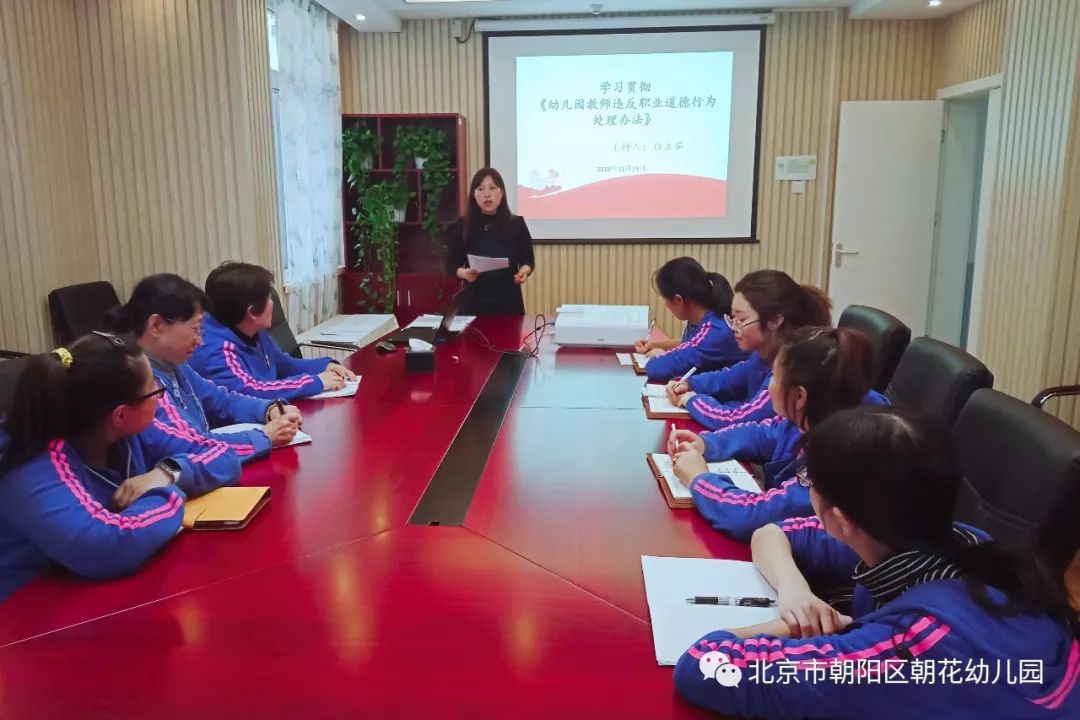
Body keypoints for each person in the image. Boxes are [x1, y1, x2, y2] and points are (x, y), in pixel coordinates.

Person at [674, 407, 1079, 719]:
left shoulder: (910, 648)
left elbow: (706, 666)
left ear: (840, 519)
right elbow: (773, 533)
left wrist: (791, 626)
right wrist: (795, 592)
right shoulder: (962, 542)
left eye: (811, 483)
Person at [0, 333, 242, 601]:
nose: (161, 401)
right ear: (121, 414)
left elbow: (222, 454)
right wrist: (170, 497)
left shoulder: (129, 429)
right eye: (155, 391)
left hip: (86, 591)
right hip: (22, 616)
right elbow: (107, 545)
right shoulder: (29, 459)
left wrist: (166, 474)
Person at [667, 327, 889, 541]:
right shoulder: (819, 411)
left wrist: (698, 478)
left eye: (773, 376)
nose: (768, 387)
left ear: (799, 396)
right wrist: (706, 444)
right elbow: (764, 434)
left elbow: (753, 516)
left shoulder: (840, 457)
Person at [103, 274, 303, 464]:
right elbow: (190, 445)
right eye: (195, 329)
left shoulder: (175, 365)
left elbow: (222, 401)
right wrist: (264, 437)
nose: (199, 341)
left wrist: (267, 409)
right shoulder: (142, 382)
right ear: (156, 325)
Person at [666, 270, 831, 430]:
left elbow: (740, 418)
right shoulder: (760, 355)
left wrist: (692, 401)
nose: (734, 328)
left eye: (742, 319)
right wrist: (690, 384)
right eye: (733, 318)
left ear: (774, 321)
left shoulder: (790, 369)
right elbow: (729, 378)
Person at [189, 262, 355, 400]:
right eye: (268, 298)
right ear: (253, 312)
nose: (272, 303)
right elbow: (251, 390)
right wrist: (315, 382)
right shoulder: (212, 350)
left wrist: (324, 366)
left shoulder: (251, 328)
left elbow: (283, 364)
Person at [635, 257, 747, 382]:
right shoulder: (704, 316)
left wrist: (660, 356)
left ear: (678, 300)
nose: (665, 303)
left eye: (664, 298)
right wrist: (656, 345)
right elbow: (691, 344)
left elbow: (657, 368)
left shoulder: (715, 330)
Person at [445, 168, 535, 316]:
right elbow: (451, 264)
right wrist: (464, 273)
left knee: (509, 339)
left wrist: (523, 272)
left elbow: (528, 260)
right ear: (474, 195)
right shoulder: (463, 224)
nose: (487, 194)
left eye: (492, 188)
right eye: (480, 189)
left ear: (502, 192)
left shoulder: (516, 223)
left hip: (509, 302)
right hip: (474, 302)